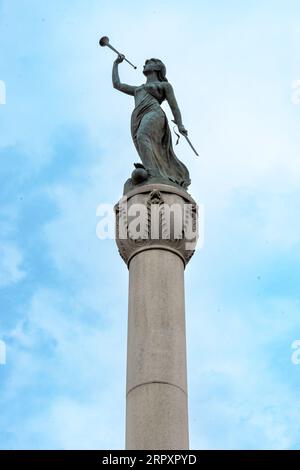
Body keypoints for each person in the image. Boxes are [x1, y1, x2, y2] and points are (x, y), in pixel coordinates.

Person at [112, 55, 191, 189]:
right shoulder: (138, 89)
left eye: (149, 62)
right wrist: (116, 63)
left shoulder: (165, 85)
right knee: (141, 141)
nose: (145, 64)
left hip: (154, 112)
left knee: (143, 136)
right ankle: (153, 171)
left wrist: (180, 124)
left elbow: (174, 107)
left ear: (157, 68)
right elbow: (117, 85)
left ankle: (153, 174)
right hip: (137, 117)